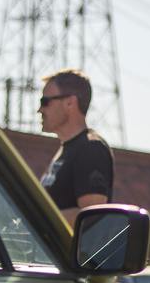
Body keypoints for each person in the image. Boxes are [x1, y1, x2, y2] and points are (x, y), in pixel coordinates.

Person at [37, 70, 113, 227]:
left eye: (45, 102)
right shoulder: (65, 149)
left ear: (70, 102)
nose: (40, 110)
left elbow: (92, 215)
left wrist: (34, 220)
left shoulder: (91, 149)